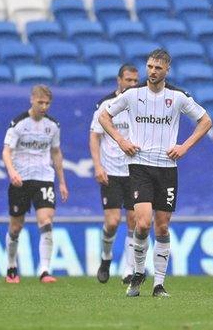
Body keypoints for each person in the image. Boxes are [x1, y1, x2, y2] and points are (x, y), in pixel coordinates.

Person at [99, 49, 212, 297]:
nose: (152, 71)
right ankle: (138, 274)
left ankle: (158, 284)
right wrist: (120, 140)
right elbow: (104, 115)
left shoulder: (178, 97)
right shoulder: (133, 94)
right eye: (150, 66)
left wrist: (184, 146)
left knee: (162, 227)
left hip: (167, 169)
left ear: (167, 70)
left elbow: (206, 121)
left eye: (157, 68)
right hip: (139, 166)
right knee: (141, 223)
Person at [2, 85, 69, 283]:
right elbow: (6, 151)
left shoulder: (53, 125)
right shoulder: (19, 123)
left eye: (47, 103)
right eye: (41, 102)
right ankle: (11, 267)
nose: (44, 106)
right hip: (20, 180)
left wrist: (62, 182)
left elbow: (56, 152)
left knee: (46, 221)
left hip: (44, 178)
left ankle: (44, 270)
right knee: (15, 227)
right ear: (32, 99)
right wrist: (12, 172)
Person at [89, 64, 139, 284]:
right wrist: (97, 166)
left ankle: (128, 269)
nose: (132, 84)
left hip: (135, 171)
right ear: (119, 80)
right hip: (111, 171)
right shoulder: (105, 105)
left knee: (134, 220)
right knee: (112, 222)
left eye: (135, 81)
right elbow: (94, 136)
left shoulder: (141, 104)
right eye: (128, 80)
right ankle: (106, 257)